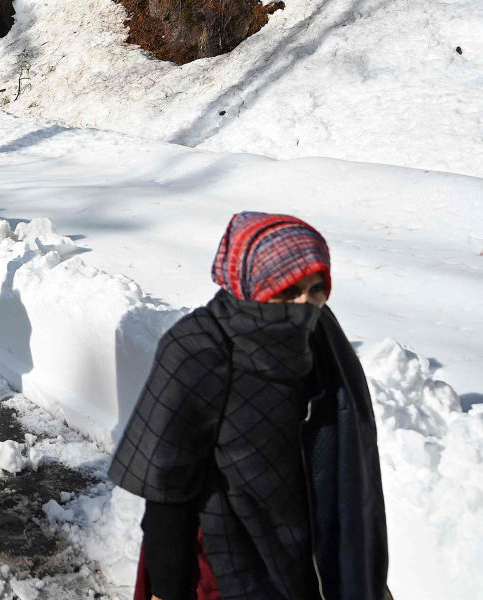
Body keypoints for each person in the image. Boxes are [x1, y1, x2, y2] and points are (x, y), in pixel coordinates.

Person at [109, 212, 388, 600]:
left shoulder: (320, 335)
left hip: (312, 553)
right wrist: (169, 589)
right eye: (289, 290)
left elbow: (348, 464)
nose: (306, 304)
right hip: (228, 562)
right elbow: (168, 490)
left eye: (317, 287)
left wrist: (364, 570)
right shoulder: (201, 349)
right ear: (250, 286)